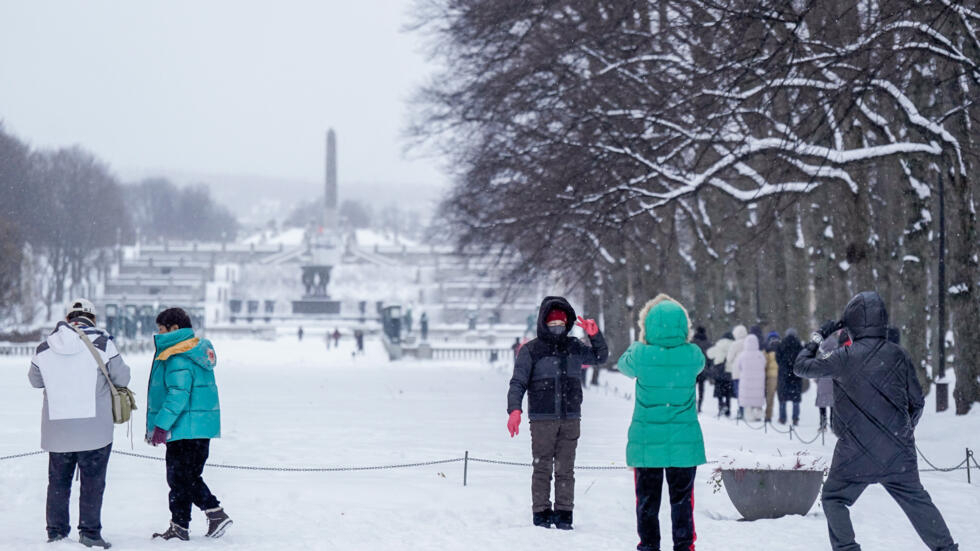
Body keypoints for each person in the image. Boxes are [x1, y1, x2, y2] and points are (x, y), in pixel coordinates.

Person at [796, 291, 958, 551]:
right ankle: (946, 548)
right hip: (897, 451)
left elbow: (801, 366)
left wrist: (819, 335)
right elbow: (917, 402)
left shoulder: (843, 357)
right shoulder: (899, 355)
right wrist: (901, 431)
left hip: (854, 453)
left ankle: (847, 548)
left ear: (850, 324)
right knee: (917, 500)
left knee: (834, 498)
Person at [28, 298, 131, 548]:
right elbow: (123, 377)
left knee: (58, 483)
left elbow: (34, 380)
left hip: (58, 430)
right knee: (93, 483)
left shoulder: (45, 347)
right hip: (95, 429)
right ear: (92, 319)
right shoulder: (103, 344)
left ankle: (56, 531)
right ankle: (90, 533)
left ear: (69, 317)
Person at [506, 296, 608, 530]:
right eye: (552, 324)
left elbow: (600, 357)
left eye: (561, 324)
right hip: (542, 419)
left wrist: (595, 336)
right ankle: (541, 513)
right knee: (542, 468)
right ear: (544, 323)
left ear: (567, 323)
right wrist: (514, 409)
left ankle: (564, 514)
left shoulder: (574, 347)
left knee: (565, 469)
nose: (557, 328)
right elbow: (518, 382)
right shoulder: (531, 350)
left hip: (571, 417)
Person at [617, 294, 705, 551]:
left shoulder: (640, 354)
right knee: (682, 502)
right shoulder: (692, 354)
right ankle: (684, 545)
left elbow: (623, 365)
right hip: (684, 442)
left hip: (647, 444)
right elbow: (700, 366)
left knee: (647, 503)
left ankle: (649, 546)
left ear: (648, 325)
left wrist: (643, 342)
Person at [147, 308, 232, 541]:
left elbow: (177, 394)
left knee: (181, 478)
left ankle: (214, 514)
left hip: (183, 428)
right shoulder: (195, 351)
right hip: (199, 427)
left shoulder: (178, 356)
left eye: (161, 329)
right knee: (187, 477)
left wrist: (161, 426)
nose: (158, 333)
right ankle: (180, 525)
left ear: (174, 329)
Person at [733, 334, 766, 422]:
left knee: (747, 402)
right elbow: (764, 365)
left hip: (746, 382)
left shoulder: (743, 355)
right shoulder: (760, 355)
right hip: (758, 383)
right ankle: (757, 414)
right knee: (756, 399)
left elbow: (739, 367)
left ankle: (748, 416)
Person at [776, 329, 803, 425]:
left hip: (784, 375)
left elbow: (777, 359)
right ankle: (795, 418)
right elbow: (802, 359)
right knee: (795, 398)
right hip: (796, 375)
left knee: (782, 398)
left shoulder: (781, 345)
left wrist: (784, 367)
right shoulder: (799, 346)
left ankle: (782, 418)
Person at [706, 332, 734, 417]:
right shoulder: (733, 345)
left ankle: (721, 406)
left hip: (719, 373)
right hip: (729, 373)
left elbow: (709, 354)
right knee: (728, 393)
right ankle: (728, 410)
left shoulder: (719, 345)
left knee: (719, 392)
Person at [725, 325, 749, 418]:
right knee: (747, 393)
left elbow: (729, 358)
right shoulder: (749, 342)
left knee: (739, 393)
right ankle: (747, 411)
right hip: (747, 372)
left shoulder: (735, 344)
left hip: (737, 372)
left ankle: (741, 411)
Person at [691, 326, 711, 413]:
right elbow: (710, 358)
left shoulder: (692, 342)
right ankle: (700, 406)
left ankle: (693, 405)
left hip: (693, 369)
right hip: (704, 369)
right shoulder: (708, 343)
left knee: (692, 388)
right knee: (701, 389)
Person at [763, 331, 781, 422]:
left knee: (770, 397)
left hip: (770, 376)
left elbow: (765, 364)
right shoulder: (781, 347)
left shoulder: (767, 348)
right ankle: (782, 416)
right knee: (782, 398)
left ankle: (768, 416)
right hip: (780, 375)